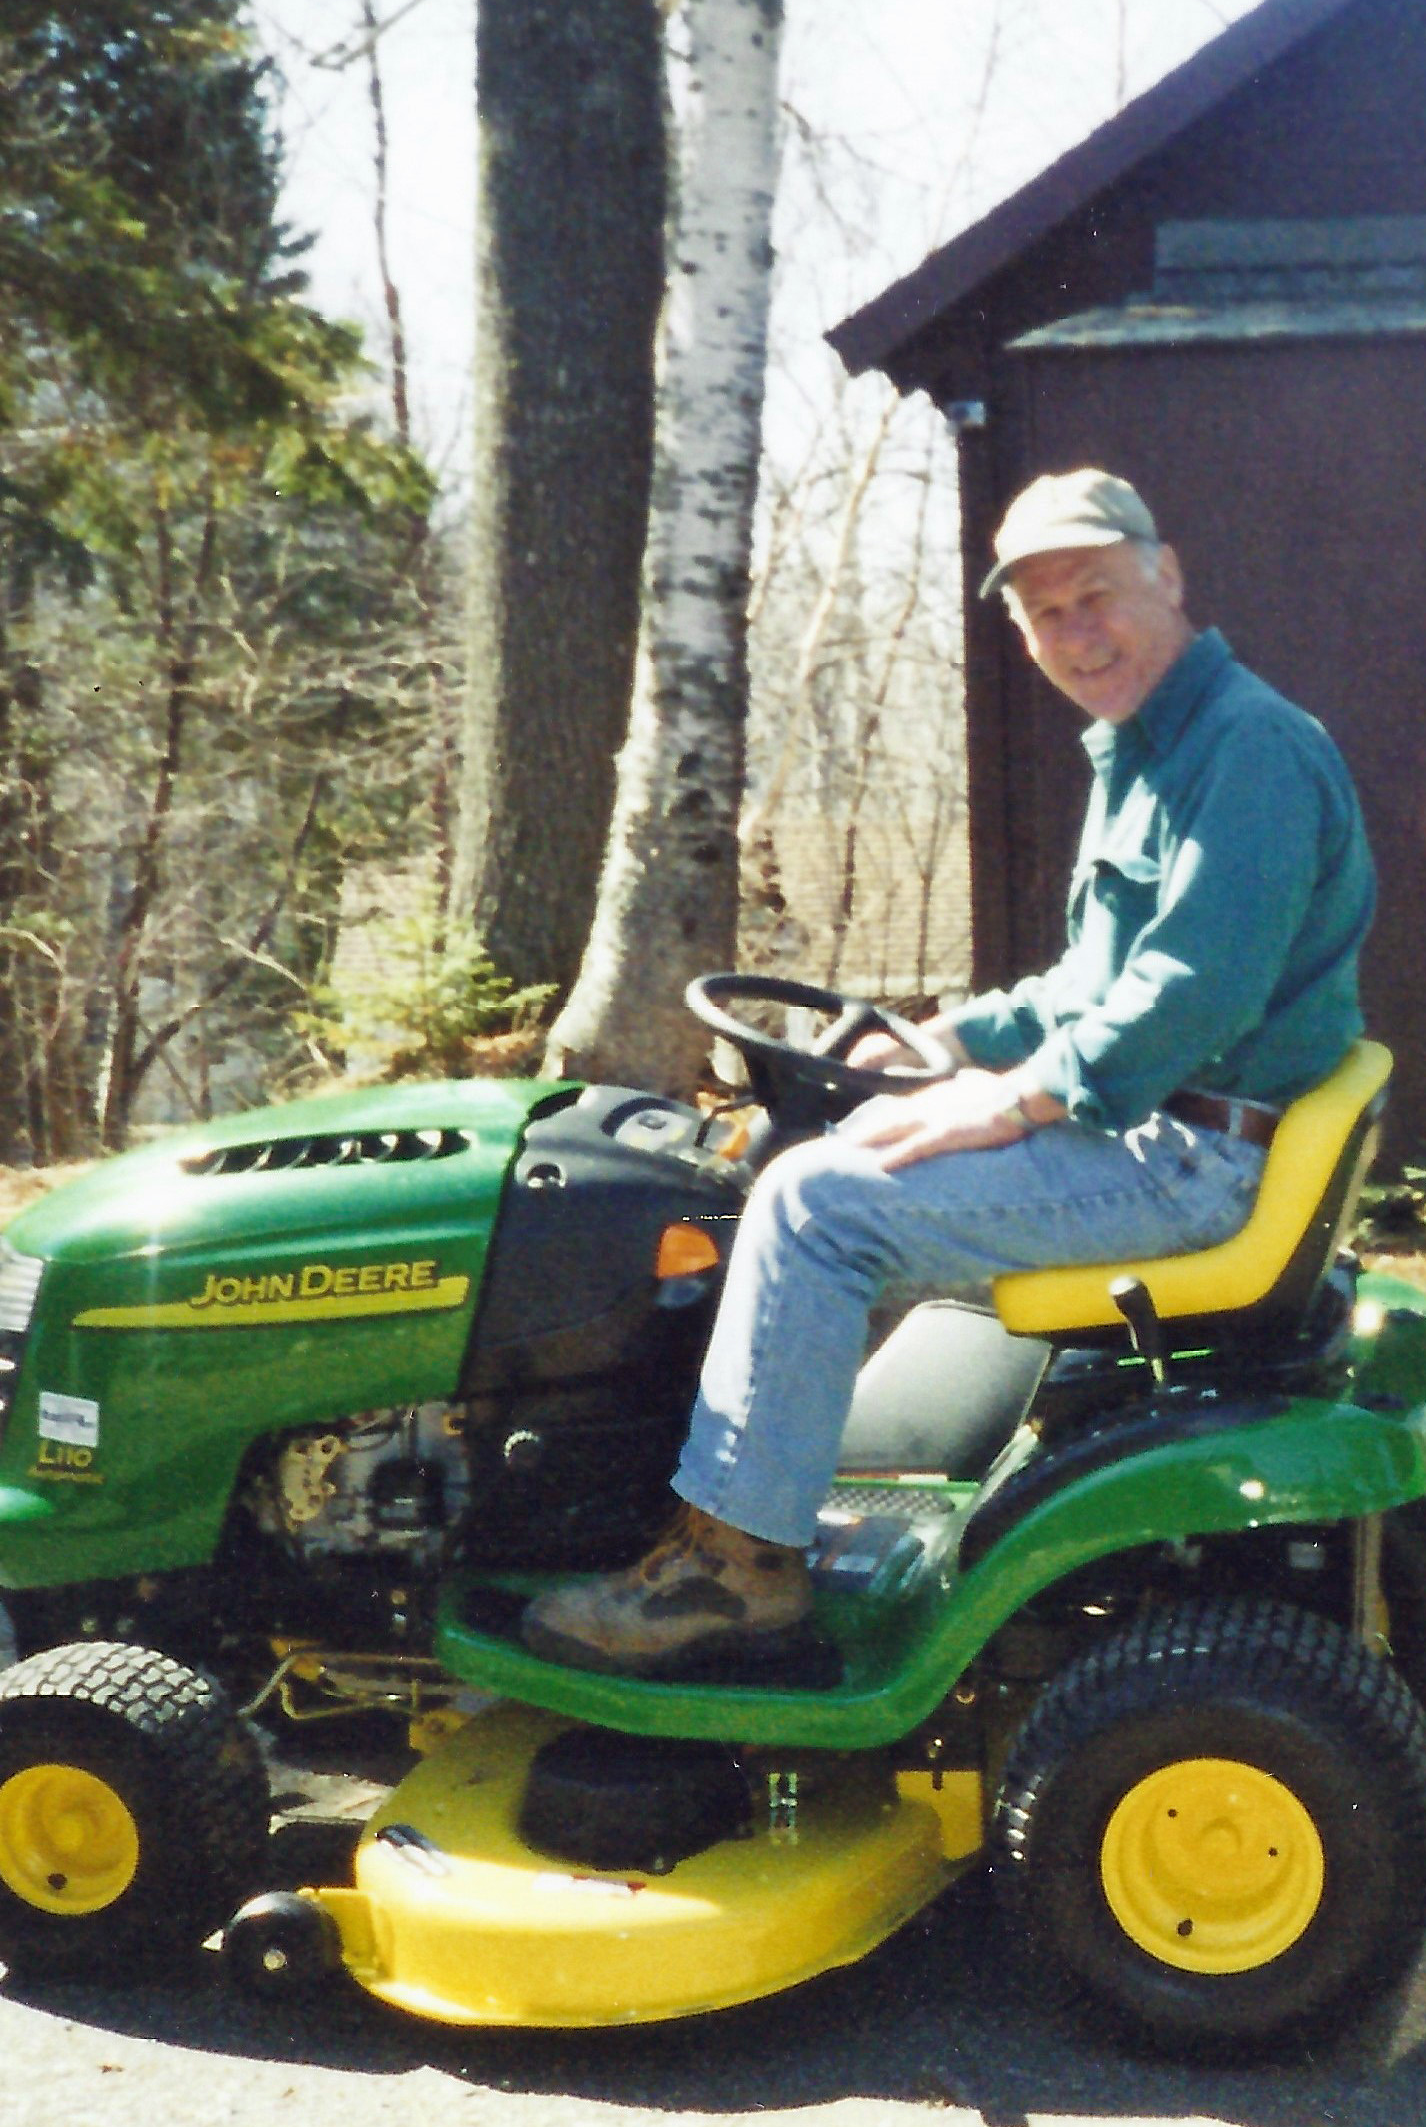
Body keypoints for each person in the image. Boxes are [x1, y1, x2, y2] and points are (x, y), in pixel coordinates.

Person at [523, 469, 1376, 1679]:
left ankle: (735, 1565)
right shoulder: (1152, 748)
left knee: (813, 1210)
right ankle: (757, 1497)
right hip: (1182, 1132)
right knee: (837, 1157)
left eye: (1098, 596)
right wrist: (947, 1042)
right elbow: (1090, 982)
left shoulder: (1246, 750)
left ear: (1167, 576)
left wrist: (1013, 1099)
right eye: (1046, 615)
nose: (1078, 635)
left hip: (1194, 1163)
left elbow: (1195, 989)